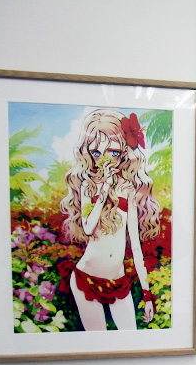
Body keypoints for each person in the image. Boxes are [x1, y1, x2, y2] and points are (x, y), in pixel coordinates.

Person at [60, 109, 160, 330]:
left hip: (118, 282)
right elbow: (88, 227)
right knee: (98, 342)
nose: (105, 158)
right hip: (86, 278)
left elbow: (135, 245)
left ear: (124, 152)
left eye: (113, 152)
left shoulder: (128, 189)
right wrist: (105, 187)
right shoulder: (88, 186)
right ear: (88, 153)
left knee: (130, 338)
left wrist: (147, 294)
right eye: (97, 152)